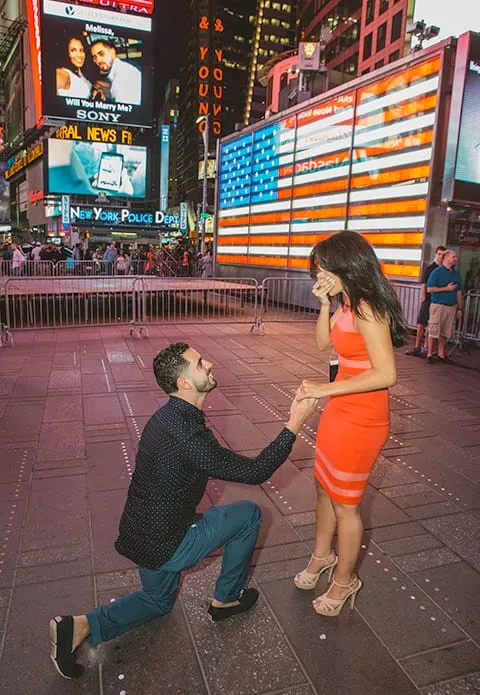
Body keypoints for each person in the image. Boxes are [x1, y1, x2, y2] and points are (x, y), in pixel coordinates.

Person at [49, 342, 317, 679]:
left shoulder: (168, 416)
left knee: (158, 601)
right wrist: (294, 424)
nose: (209, 365)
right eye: (199, 363)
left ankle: (78, 626)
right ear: (184, 383)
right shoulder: (188, 434)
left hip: (139, 535)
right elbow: (254, 472)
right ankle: (226, 601)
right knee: (249, 514)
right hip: (169, 540)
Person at [293, 231, 408, 616]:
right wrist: (325, 303)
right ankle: (322, 556)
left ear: (346, 265)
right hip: (341, 407)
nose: (319, 272)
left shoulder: (369, 309)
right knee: (323, 486)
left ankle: (345, 580)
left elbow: (386, 374)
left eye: (323, 266)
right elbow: (322, 345)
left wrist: (324, 391)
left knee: (347, 503)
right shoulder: (346, 304)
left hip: (363, 417)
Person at [406, 245, 446, 357]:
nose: (440, 257)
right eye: (439, 254)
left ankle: (426, 347)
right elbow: (423, 283)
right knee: (421, 323)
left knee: (431, 326)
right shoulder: (429, 269)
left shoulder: (444, 270)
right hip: (428, 299)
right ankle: (417, 346)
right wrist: (423, 297)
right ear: (435, 254)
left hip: (437, 300)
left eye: (443, 255)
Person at [425, 249, 463, 364]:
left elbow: (459, 291)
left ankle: (441, 354)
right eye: (453, 257)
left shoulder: (456, 274)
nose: (455, 259)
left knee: (445, 332)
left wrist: (460, 308)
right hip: (438, 305)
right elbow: (429, 288)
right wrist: (446, 288)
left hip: (451, 306)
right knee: (434, 329)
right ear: (446, 258)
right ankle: (430, 353)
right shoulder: (437, 272)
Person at [90, 40, 141, 105]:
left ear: (112, 52)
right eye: (95, 57)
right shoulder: (122, 69)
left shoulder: (122, 79)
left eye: (101, 54)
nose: (98, 60)